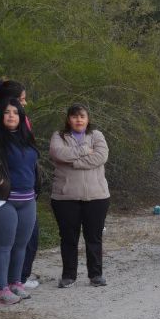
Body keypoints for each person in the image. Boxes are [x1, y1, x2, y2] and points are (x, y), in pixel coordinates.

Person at [0, 79, 39, 289]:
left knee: (21, 245)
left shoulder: (25, 134)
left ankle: (16, 283)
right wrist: (0, 181)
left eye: (16, 111)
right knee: (4, 245)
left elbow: (31, 163)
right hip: (1, 198)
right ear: (0, 113)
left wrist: (35, 184)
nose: (12, 115)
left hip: (26, 197)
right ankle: (2, 289)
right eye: (7, 112)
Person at [49, 103, 110, 288]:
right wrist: (84, 151)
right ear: (69, 119)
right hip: (65, 197)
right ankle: (68, 275)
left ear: (87, 119)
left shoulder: (96, 135)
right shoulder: (59, 136)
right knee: (68, 238)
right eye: (74, 116)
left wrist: (74, 163)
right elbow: (58, 153)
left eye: (82, 116)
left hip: (97, 196)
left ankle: (96, 275)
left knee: (94, 237)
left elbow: (101, 156)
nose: (78, 120)